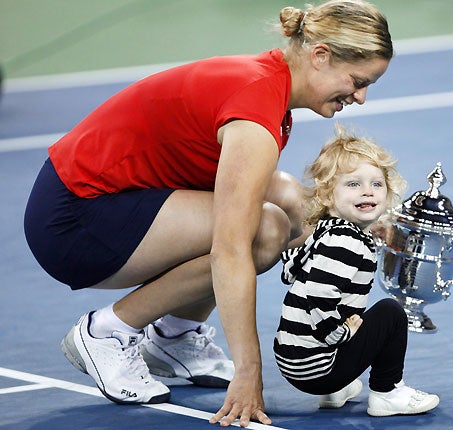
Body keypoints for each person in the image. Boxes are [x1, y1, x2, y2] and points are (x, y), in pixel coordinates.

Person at [23, 0, 392, 426]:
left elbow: (301, 213)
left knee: (292, 198)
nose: (361, 97)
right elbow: (231, 248)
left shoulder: (270, 80)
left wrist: (366, 228)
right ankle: (108, 331)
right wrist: (249, 372)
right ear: (321, 55)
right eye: (358, 81)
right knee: (265, 229)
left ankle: (174, 338)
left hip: (106, 195)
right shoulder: (255, 114)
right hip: (73, 221)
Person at [273, 124, 440, 417]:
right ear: (327, 195)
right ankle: (387, 392)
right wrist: (340, 335)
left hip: (293, 360)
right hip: (318, 367)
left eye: (377, 184)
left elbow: (291, 269)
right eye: (354, 184)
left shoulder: (327, 230)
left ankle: (335, 389)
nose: (368, 191)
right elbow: (318, 295)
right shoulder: (348, 241)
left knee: (355, 311)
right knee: (390, 313)